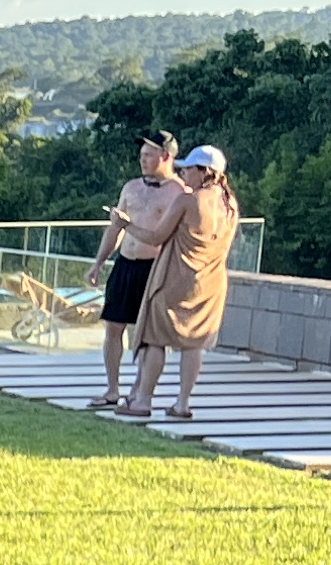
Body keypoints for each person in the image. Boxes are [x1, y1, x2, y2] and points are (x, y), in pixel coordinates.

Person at [123, 144, 238, 421]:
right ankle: (183, 404)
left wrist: (124, 224)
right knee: (193, 343)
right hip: (210, 283)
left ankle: (143, 400)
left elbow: (156, 237)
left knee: (154, 338)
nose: (183, 173)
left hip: (175, 279)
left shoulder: (188, 200)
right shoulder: (230, 204)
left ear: (204, 172)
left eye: (188, 169)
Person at [81, 131, 187, 409]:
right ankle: (112, 389)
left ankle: (139, 390)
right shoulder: (131, 188)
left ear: (166, 156)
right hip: (126, 263)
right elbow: (115, 229)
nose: (143, 160)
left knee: (147, 333)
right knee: (113, 327)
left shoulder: (179, 192)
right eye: (142, 155)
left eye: (149, 155)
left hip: (154, 267)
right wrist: (98, 262)